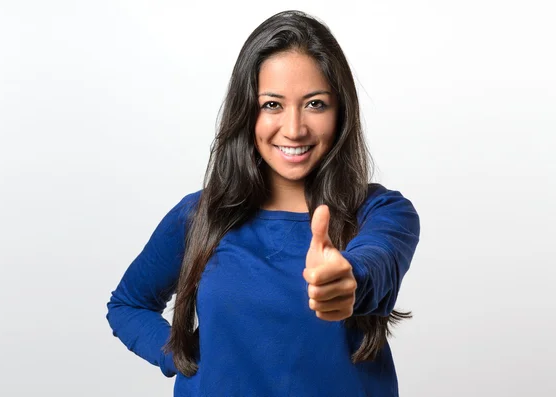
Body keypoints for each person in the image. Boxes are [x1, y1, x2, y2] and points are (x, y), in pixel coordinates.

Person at [106, 10, 420, 397]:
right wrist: (180, 353)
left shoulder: (382, 212)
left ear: (341, 113)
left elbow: (379, 258)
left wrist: (349, 279)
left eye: (316, 104)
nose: (294, 129)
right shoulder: (199, 216)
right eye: (272, 104)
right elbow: (127, 304)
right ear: (246, 111)